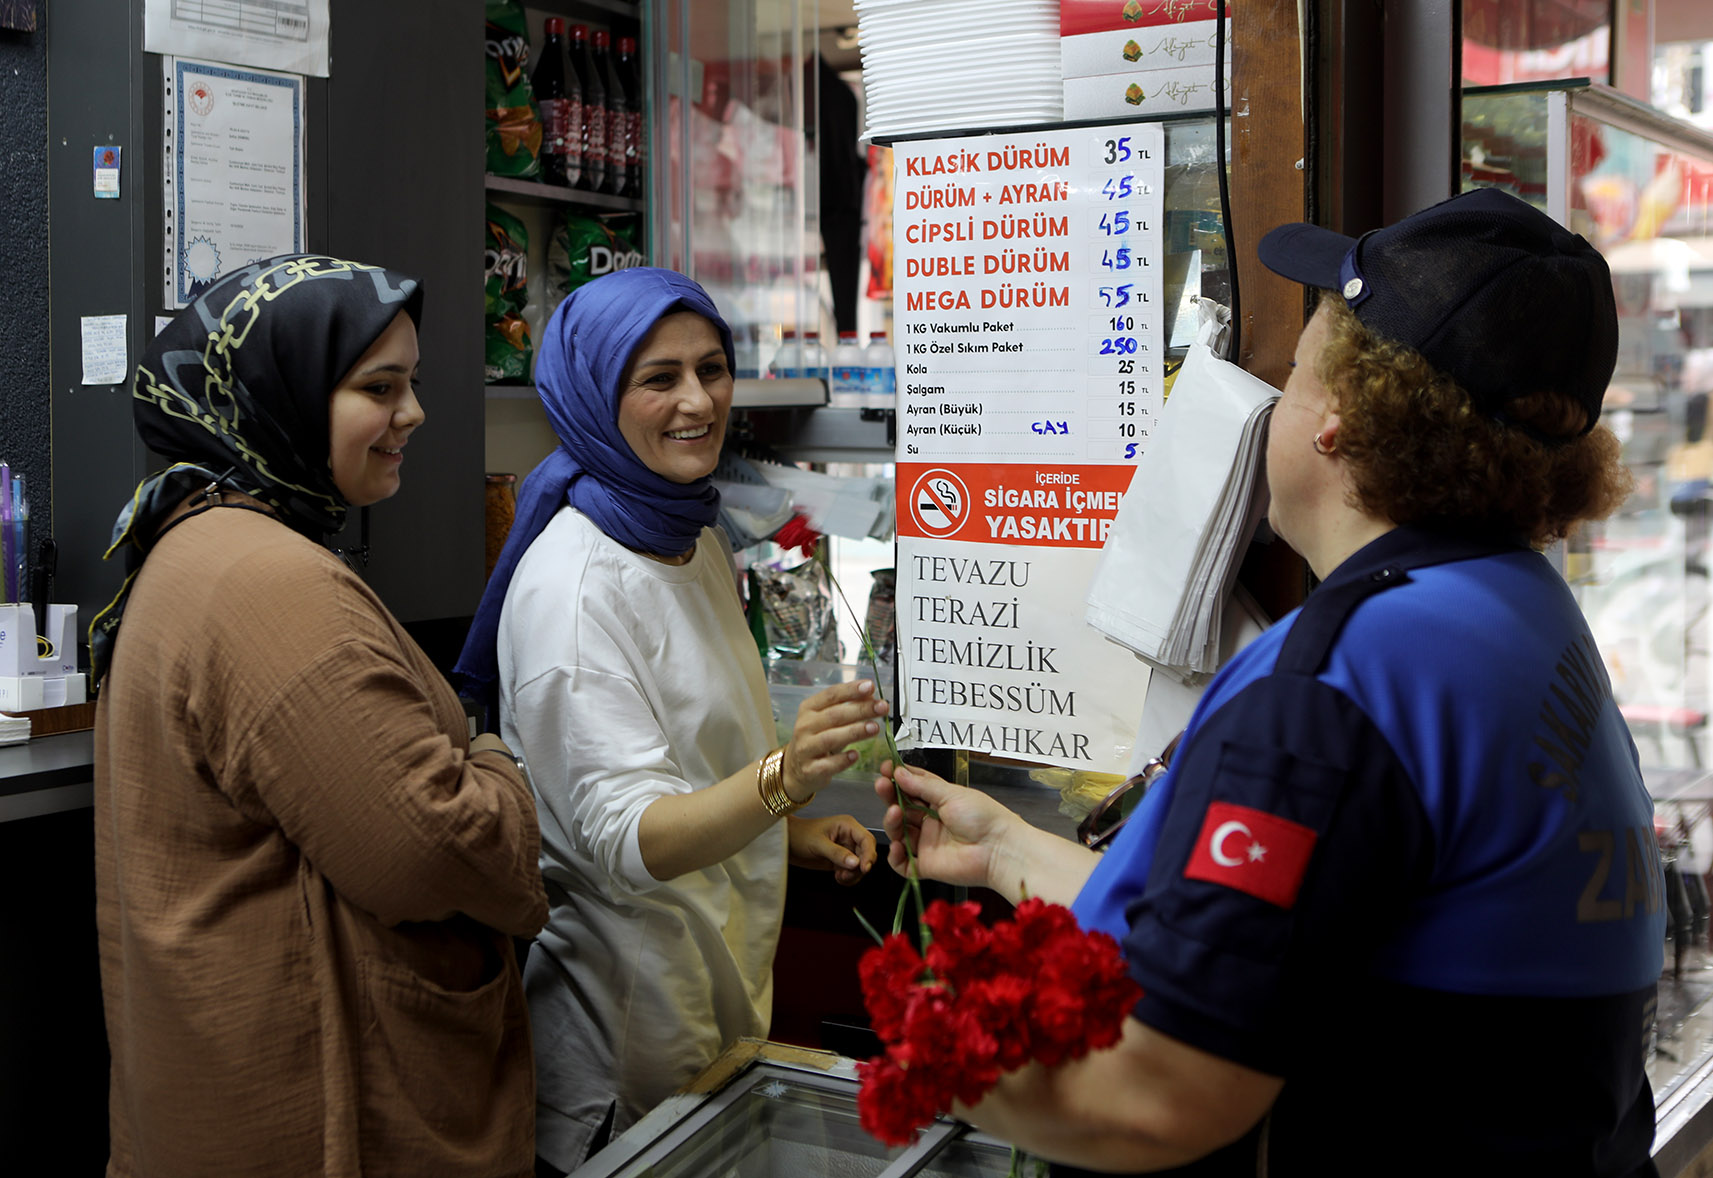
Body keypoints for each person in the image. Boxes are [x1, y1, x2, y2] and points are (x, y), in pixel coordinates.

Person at [873, 187, 1663, 1176]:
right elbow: (1266, 934)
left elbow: (1159, 1096)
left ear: (1337, 418)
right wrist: (1006, 852)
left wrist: (932, 1055)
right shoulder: (1512, 613)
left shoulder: (1342, 683)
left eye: (1293, 375)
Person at [93, 255, 549, 1178]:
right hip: (316, 1116)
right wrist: (496, 764)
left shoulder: (207, 537)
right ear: (282, 394)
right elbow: (433, 846)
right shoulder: (270, 584)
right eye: (379, 387)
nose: (413, 413)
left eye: (411, 383)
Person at [453, 267, 887, 1175]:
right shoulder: (574, 591)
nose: (698, 401)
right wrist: (784, 778)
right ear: (591, 398)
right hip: (627, 1040)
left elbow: (685, 767)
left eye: (712, 368)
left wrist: (796, 831)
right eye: (657, 379)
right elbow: (627, 837)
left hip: (719, 1001)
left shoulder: (684, 532)